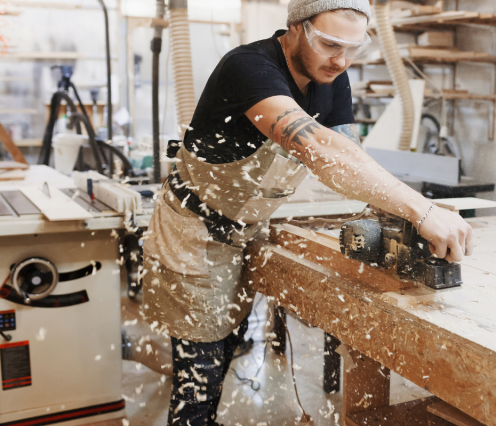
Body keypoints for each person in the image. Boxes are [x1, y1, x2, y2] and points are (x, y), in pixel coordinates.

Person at [141, 0, 474, 424]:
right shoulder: (250, 67)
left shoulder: (334, 77)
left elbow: (349, 155)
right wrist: (422, 209)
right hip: (194, 230)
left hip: (247, 228)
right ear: (295, 28)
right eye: (330, 44)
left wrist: (400, 215)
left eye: (354, 49)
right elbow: (317, 147)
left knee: (228, 344)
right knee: (199, 373)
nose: (341, 60)